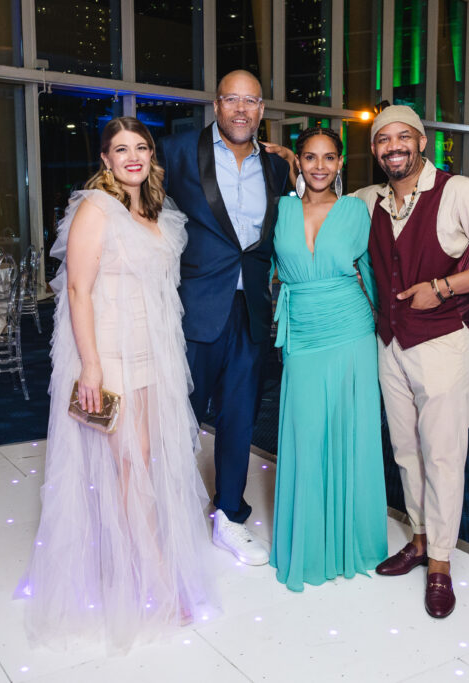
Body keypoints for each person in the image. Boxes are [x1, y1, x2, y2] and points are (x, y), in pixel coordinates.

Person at [20, 117, 216, 652]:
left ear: (152, 156)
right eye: (120, 148)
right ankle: (154, 579)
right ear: (104, 159)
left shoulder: (157, 213)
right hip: (110, 354)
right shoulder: (95, 209)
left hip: (154, 354)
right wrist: (91, 366)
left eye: (141, 147)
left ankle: (149, 564)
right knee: (130, 462)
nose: (132, 156)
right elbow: (77, 290)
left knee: (148, 459)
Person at [352, 105, 469, 618]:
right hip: (392, 344)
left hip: (445, 341)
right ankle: (420, 539)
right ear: (375, 149)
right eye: (383, 139)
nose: (393, 146)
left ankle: (442, 562)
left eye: (404, 136)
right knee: (406, 450)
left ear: (422, 142)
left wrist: (443, 286)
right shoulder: (366, 200)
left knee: (442, 453)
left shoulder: (460, 191)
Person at [159, 70, 290, 566]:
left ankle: (229, 517)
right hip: (193, 308)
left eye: (251, 101)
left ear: (261, 109)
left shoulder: (277, 169)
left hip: (253, 311)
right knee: (176, 418)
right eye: (231, 99)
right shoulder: (175, 152)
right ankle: (164, 515)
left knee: (240, 420)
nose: (241, 109)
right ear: (216, 105)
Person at [269, 126, 387, 591]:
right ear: (298, 162)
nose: (320, 166)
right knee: (306, 432)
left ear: (341, 164)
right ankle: (310, 543)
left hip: (351, 329)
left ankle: (353, 539)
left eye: (329, 158)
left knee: (351, 432)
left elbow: (376, 271)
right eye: (310, 157)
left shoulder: (357, 210)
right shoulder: (280, 209)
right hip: (302, 331)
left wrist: (391, 333)